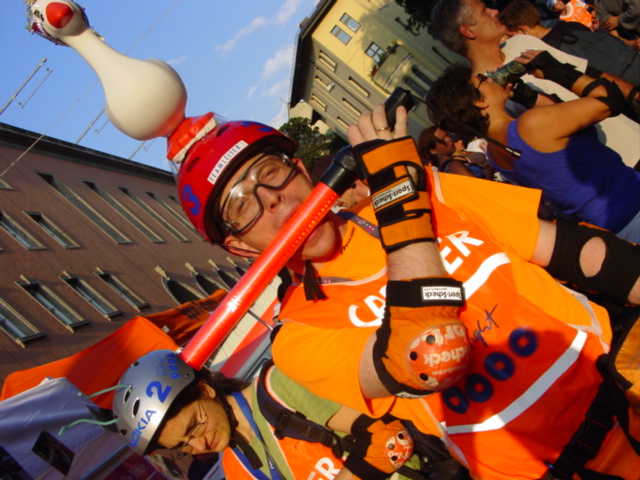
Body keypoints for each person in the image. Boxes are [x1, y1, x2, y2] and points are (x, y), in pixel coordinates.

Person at [165, 103, 640, 479]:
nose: (271, 199)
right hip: (556, 468)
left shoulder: (424, 190)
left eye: (270, 172)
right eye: (241, 205)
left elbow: (581, 254)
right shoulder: (298, 338)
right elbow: (433, 356)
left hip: (624, 387)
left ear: (301, 168)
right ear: (240, 247)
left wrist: (398, 195)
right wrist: (396, 196)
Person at [424, 55, 640, 242]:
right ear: (479, 101)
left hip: (610, 228)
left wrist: (526, 95)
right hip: (631, 205)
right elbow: (609, 100)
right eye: (482, 79)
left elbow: (560, 119)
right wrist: (556, 70)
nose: (491, 76)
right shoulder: (530, 125)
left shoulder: (495, 152)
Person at [110, 349, 418, 480]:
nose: (200, 445)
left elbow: (391, 438)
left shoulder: (279, 387)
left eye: (195, 426)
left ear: (206, 391)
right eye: (183, 447)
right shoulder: (236, 468)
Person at [430, 0, 640, 168]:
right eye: (485, 11)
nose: (495, 11)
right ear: (468, 31)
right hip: (614, 165)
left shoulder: (521, 42)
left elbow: (588, 72)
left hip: (631, 131)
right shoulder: (485, 93)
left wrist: (634, 94)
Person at [499, 0, 640, 84]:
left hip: (625, 84)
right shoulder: (571, 26)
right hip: (633, 60)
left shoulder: (550, 54)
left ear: (522, 30)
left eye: (512, 36)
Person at [417, 126, 494, 180]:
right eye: (442, 139)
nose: (449, 139)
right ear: (433, 150)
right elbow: (480, 188)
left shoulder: (442, 173)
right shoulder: (453, 165)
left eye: (447, 135)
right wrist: (489, 173)